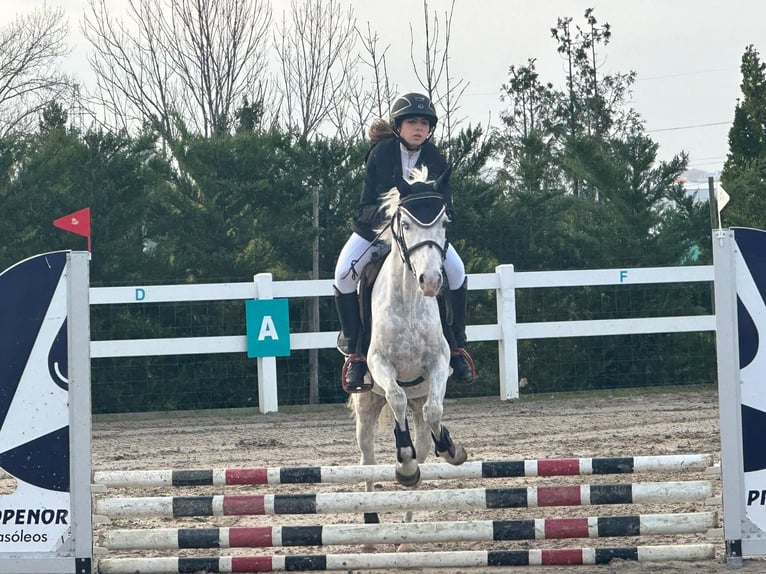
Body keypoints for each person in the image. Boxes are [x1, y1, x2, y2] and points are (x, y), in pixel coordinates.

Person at [333, 92, 476, 393]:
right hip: (376, 231)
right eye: (412, 122)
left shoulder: (436, 159)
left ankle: (458, 345)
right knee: (344, 274)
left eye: (424, 123)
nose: (418, 128)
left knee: (458, 272)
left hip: (421, 236)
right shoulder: (381, 154)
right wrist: (394, 216)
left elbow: (446, 205)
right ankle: (355, 351)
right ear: (399, 126)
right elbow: (365, 205)